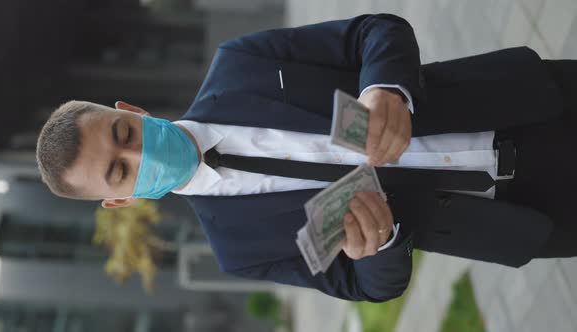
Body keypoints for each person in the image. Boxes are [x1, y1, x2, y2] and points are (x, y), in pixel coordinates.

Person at [35, 13, 577, 302]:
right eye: (120, 169)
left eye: (125, 132)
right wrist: (378, 248)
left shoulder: (239, 65)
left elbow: (374, 32)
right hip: (521, 217)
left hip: (526, 101)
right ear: (120, 199)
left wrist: (384, 88)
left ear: (129, 107)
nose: (139, 151)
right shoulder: (238, 249)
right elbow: (367, 288)